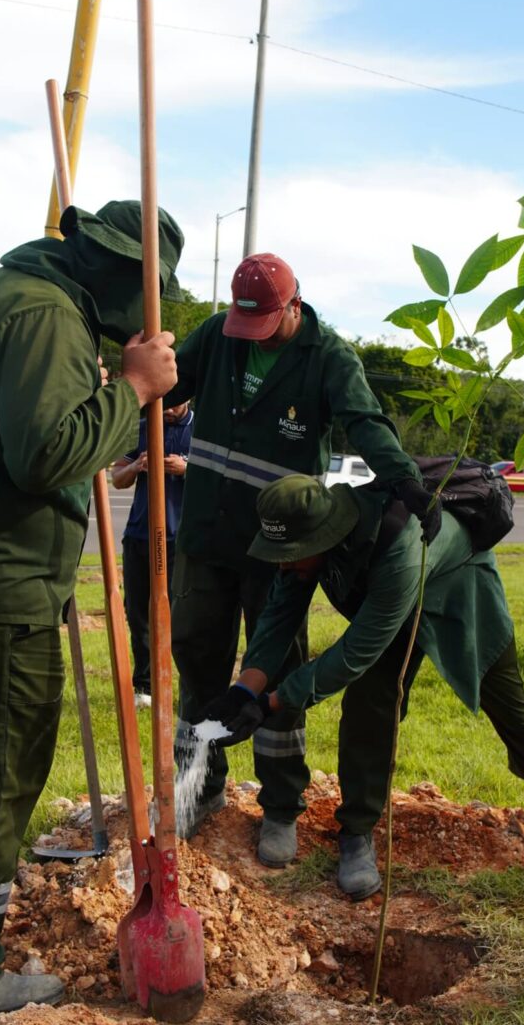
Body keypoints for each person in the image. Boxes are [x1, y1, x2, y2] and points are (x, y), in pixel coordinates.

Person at [0, 200, 183, 1017]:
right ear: (124, 273)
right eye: (152, 289)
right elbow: (44, 453)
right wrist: (133, 384)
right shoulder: (47, 315)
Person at [165, 251, 439, 866]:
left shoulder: (329, 358)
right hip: (205, 538)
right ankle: (199, 788)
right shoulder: (219, 334)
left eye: (264, 323)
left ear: (294, 304)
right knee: (198, 662)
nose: (250, 335)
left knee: (273, 667)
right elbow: (167, 384)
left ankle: (281, 805)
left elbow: (364, 424)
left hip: (275, 544)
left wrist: (403, 478)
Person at [194, 474, 524, 899]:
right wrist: (243, 692)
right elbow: (277, 620)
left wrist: (272, 703)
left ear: (323, 537)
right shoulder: (305, 549)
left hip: (458, 596)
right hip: (387, 607)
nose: (284, 565)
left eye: (291, 555)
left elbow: (355, 652)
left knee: (512, 711)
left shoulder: (399, 544)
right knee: (369, 706)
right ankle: (357, 832)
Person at [111, 400, 193, 707]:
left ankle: (185, 685)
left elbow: (218, 479)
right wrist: (136, 465)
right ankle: (144, 686)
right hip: (138, 535)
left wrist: (187, 469)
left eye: (175, 402)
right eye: (164, 403)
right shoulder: (141, 429)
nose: (168, 409)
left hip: (179, 539)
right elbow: (117, 478)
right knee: (138, 613)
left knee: (179, 616)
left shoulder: (200, 430)